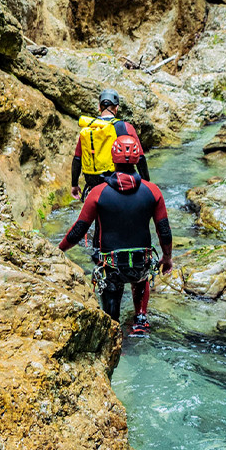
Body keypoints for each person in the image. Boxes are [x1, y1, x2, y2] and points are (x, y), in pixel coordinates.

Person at [59, 135, 173, 335]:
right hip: (140, 265)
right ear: (138, 159)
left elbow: (79, 230)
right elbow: (163, 230)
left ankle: (114, 332)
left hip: (110, 267)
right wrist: (167, 257)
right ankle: (140, 319)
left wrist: (58, 250)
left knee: (111, 319)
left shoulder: (98, 192)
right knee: (141, 276)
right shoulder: (153, 191)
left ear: (112, 158)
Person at [71, 89, 150, 201]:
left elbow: (77, 158)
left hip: (94, 187)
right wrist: (146, 183)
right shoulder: (125, 127)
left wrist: (74, 185)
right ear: (116, 108)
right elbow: (140, 157)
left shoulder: (88, 129)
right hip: (119, 185)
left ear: (99, 107)